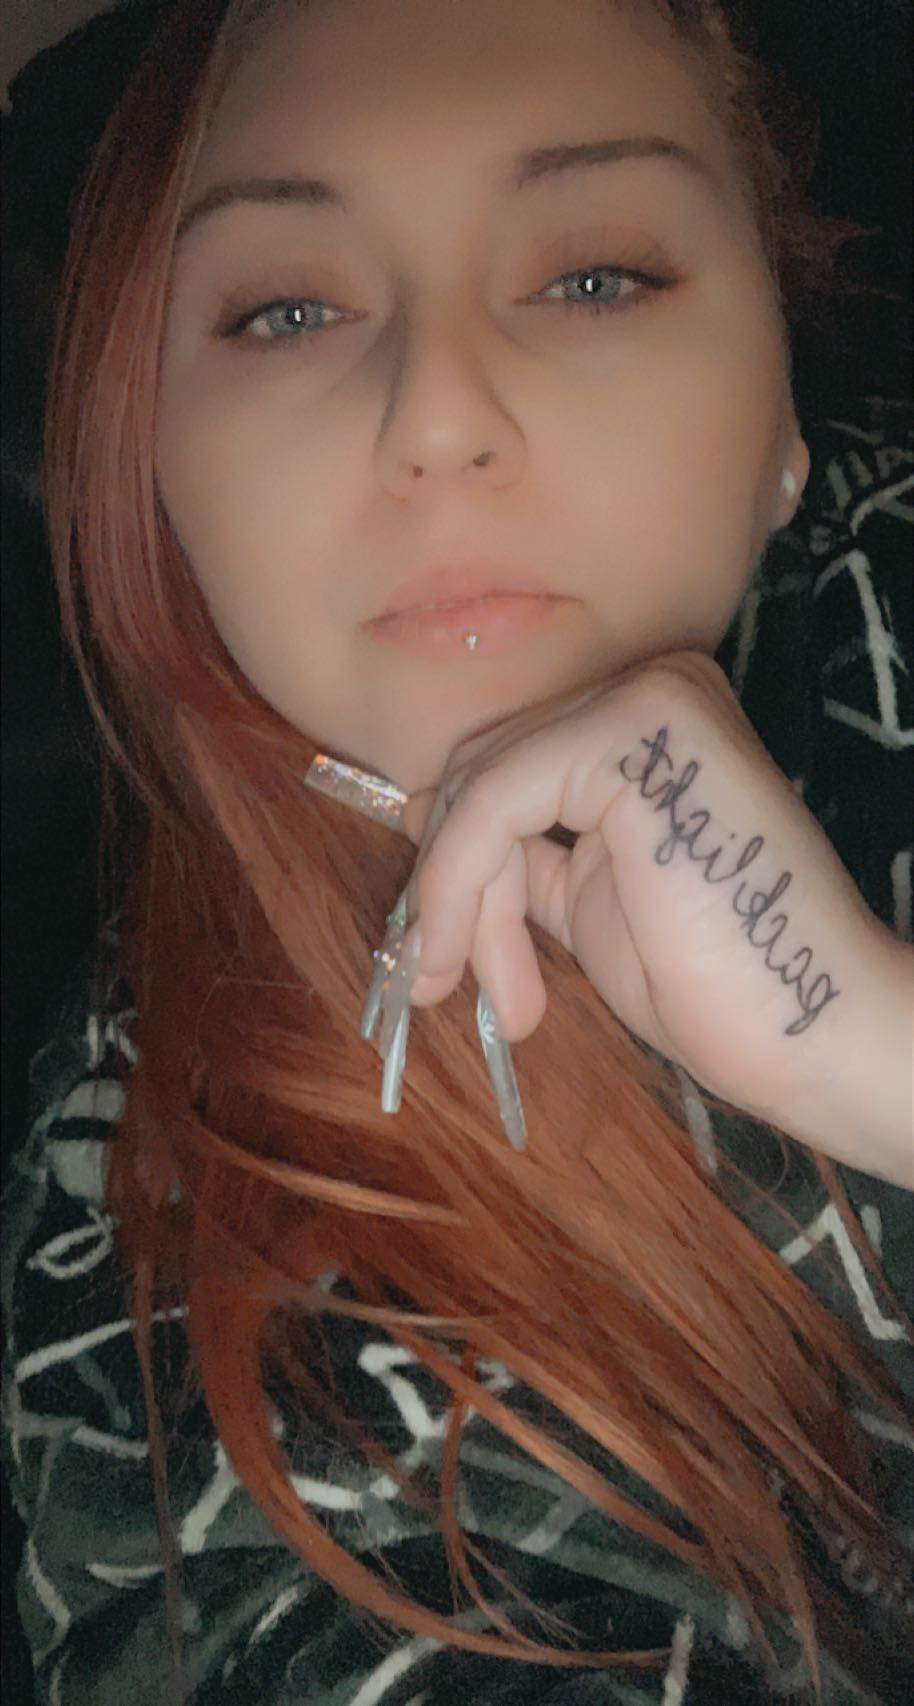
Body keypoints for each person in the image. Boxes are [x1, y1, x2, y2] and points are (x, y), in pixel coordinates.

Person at [1, 0, 912, 1701]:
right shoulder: (164, 1319)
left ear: (786, 405)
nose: (434, 412)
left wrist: (878, 1048)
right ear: (157, 480)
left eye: (594, 277)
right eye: (285, 311)